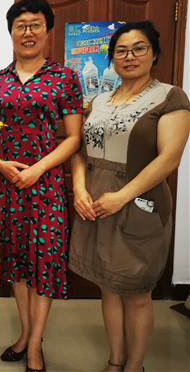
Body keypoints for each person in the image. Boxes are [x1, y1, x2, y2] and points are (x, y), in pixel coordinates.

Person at [69, 21, 190, 372]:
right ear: (112, 59)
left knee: (136, 293)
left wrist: (121, 197)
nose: (130, 56)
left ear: (155, 53)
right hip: (95, 205)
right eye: (121, 50)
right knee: (108, 287)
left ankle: (135, 366)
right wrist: (79, 188)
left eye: (139, 48)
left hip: (138, 206)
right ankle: (115, 360)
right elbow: (79, 151)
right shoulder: (98, 100)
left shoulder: (170, 97)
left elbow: (169, 158)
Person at [0, 0, 83, 372]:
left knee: (44, 261)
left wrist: (37, 169)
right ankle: (25, 334)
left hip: (46, 184)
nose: (28, 32)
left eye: (36, 24)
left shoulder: (65, 78)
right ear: (11, 32)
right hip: (6, 185)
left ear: (47, 31)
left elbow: (73, 137)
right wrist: (0, 165)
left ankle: (35, 344)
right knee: (17, 262)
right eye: (20, 25)